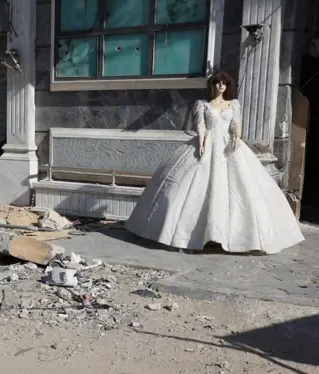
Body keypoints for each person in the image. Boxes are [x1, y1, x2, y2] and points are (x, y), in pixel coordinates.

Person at [125, 70, 304, 254]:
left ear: (228, 86)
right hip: (207, 144)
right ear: (213, 85)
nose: (221, 86)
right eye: (218, 82)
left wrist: (236, 137)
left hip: (229, 147)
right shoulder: (202, 105)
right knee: (190, 187)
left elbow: (236, 125)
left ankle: (234, 236)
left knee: (242, 189)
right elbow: (201, 127)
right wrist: (201, 144)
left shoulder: (233, 104)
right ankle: (190, 233)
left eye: (224, 83)